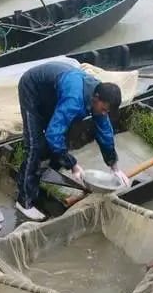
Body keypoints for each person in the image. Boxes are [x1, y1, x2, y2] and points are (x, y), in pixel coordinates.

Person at [15, 62, 130, 221]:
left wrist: (114, 166)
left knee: (60, 132)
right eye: (104, 109)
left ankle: (47, 168)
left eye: (107, 111)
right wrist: (73, 165)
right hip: (32, 88)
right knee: (35, 145)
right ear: (96, 98)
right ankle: (24, 201)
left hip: (52, 92)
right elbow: (53, 135)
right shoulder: (74, 100)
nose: (104, 113)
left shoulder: (100, 100)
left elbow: (105, 132)